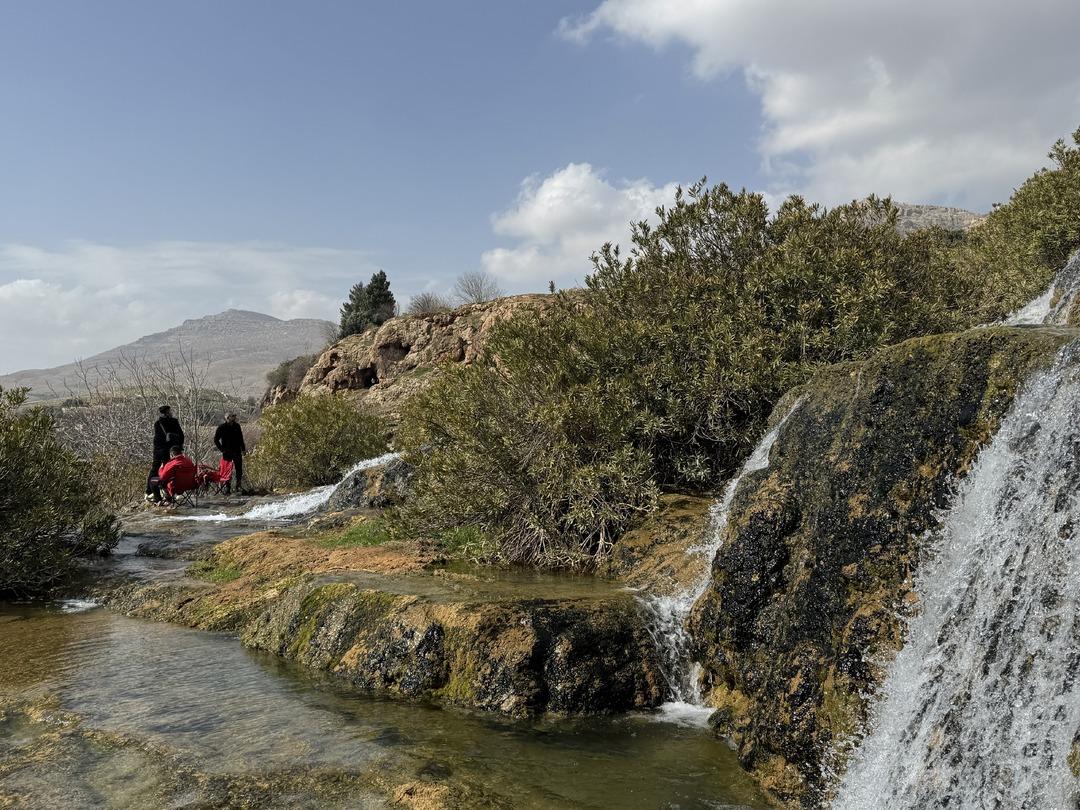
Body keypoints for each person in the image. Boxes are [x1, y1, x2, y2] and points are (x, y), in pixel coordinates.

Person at [145, 405, 185, 502]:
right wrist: (178, 448)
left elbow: (157, 439)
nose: (171, 412)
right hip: (171, 450)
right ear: (167, 412)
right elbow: (181, 435)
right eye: (170, 411)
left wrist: (158, 449)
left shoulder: (157, 423)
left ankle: (149, 491)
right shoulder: (174, 422)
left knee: (155, 469)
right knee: (170, 471)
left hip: (159, 450)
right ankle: (171, 492)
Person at [213, 412, 246, 493]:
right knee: (228, 470)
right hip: (227, 452)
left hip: (237, 451)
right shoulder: (222, 427)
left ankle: (238, 486)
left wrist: (243, 449)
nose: (235, 417)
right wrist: (222, 449)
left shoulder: (237, 426)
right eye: (233, 416)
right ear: (227, 418)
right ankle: (228, 487)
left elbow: (240, 438)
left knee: (239, 469)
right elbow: (216, 440)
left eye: (235, 416)